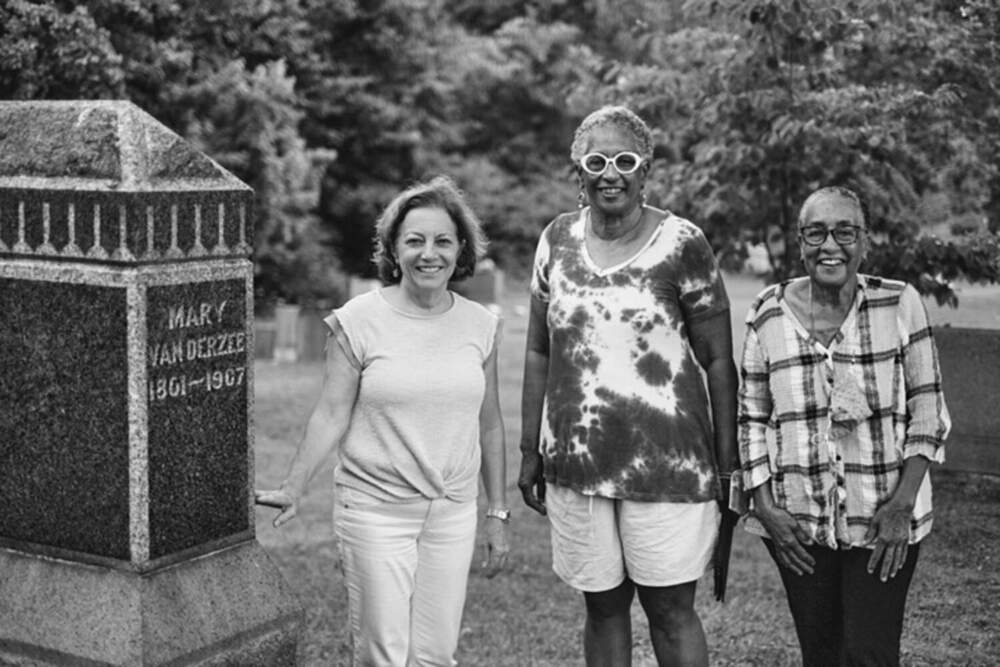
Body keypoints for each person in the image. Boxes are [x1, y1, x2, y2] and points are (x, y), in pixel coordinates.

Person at [256, 175, 510, 667]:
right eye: (414, 241)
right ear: (394, 249)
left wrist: (497, 513)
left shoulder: (481, 325)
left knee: (436, 655)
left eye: (442, 240)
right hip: (375, 510)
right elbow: (331, 412)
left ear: (461, 249)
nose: (428, 253)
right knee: (384, 657)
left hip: (451, 510)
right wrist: (293, 485)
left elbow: (492, 423)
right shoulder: (359, 320)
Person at [517, 105, 739, 667]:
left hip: (667, 465)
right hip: (577, 462)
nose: (609, 172)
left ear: (645, 170)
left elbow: (717, 359)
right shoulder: (556, 240)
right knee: (603, 610)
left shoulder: (682, 242)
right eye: (596, 160)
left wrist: (728, 463)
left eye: (624, 160)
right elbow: (540, 348)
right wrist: (529, 449)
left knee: (670, 613)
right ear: (579, 171)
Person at [737, 186, 951, 666]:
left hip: (883, 521)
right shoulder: (768, 311)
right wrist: (766, 506)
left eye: (844, 232)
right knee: (822, 653)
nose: (829, 245)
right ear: (800, 242)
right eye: (816, 232)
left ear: (865, 241)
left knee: (870, 654)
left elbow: (928, 410)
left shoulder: (899, 303)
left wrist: (901, 505)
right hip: (799, 525)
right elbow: (751, 416)